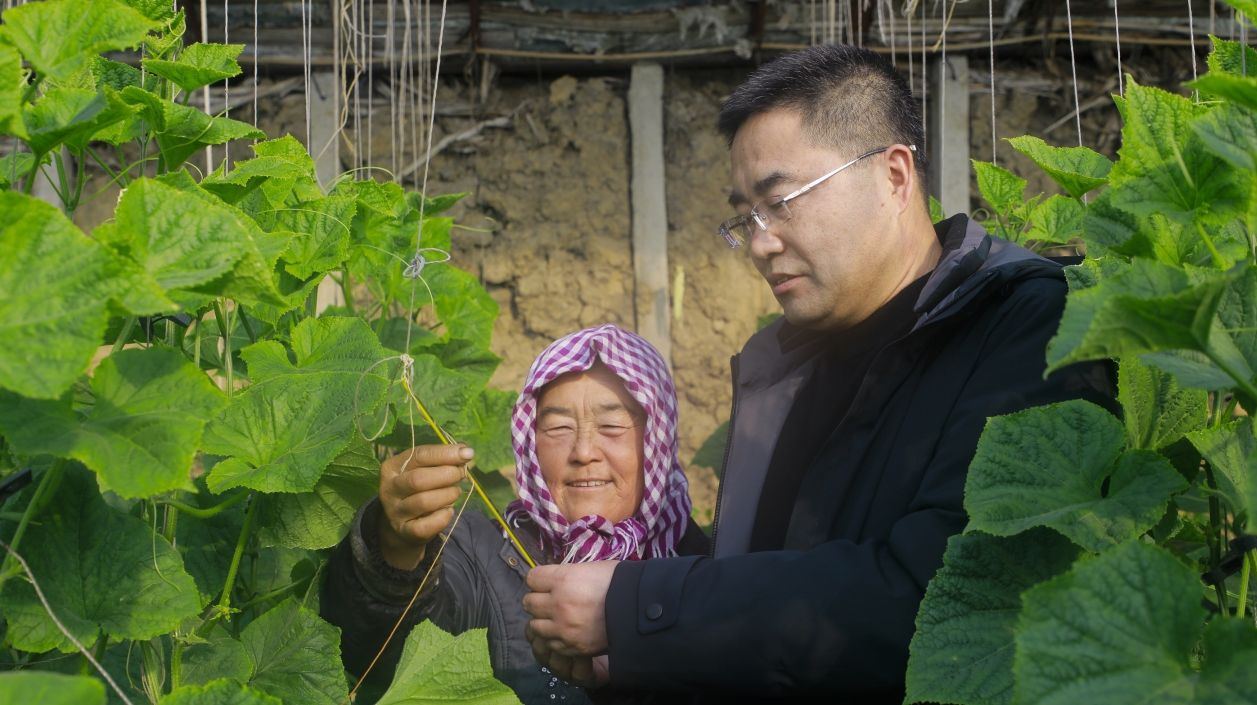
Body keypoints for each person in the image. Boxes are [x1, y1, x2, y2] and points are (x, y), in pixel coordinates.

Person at [519, 45, 1117, 702]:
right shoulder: (789, 362)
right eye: (745, 216)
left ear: (893, 177)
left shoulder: (1036, 325)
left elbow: (948, 599)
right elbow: (766, 597)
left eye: (781, 202)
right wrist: (645, 659)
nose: (759, 243)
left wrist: (639, 607)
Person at [321, 324, 709, 704]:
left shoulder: (710, 574)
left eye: (611, 425)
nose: (583, 452)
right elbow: (384, 651)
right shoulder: (477, 549)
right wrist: (394, 547)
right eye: (558, 427)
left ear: (658, 439)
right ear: (530, 443)